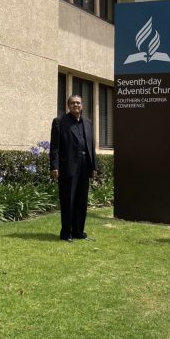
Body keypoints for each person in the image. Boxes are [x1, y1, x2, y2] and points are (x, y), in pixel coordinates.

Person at [50, 95, 97, 242]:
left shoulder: (88, 123)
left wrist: (93, 166)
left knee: (82, 201)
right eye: (73, 103)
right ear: (68, 106)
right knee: (68, 201)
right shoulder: (59, 122)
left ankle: (79, 231)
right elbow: (54, 147)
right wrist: (54, 166)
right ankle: (66, 233)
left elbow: (91, 146)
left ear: (82, 105)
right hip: (68, 166)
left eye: (78, 103)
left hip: (84, 166)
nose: (76, 105)